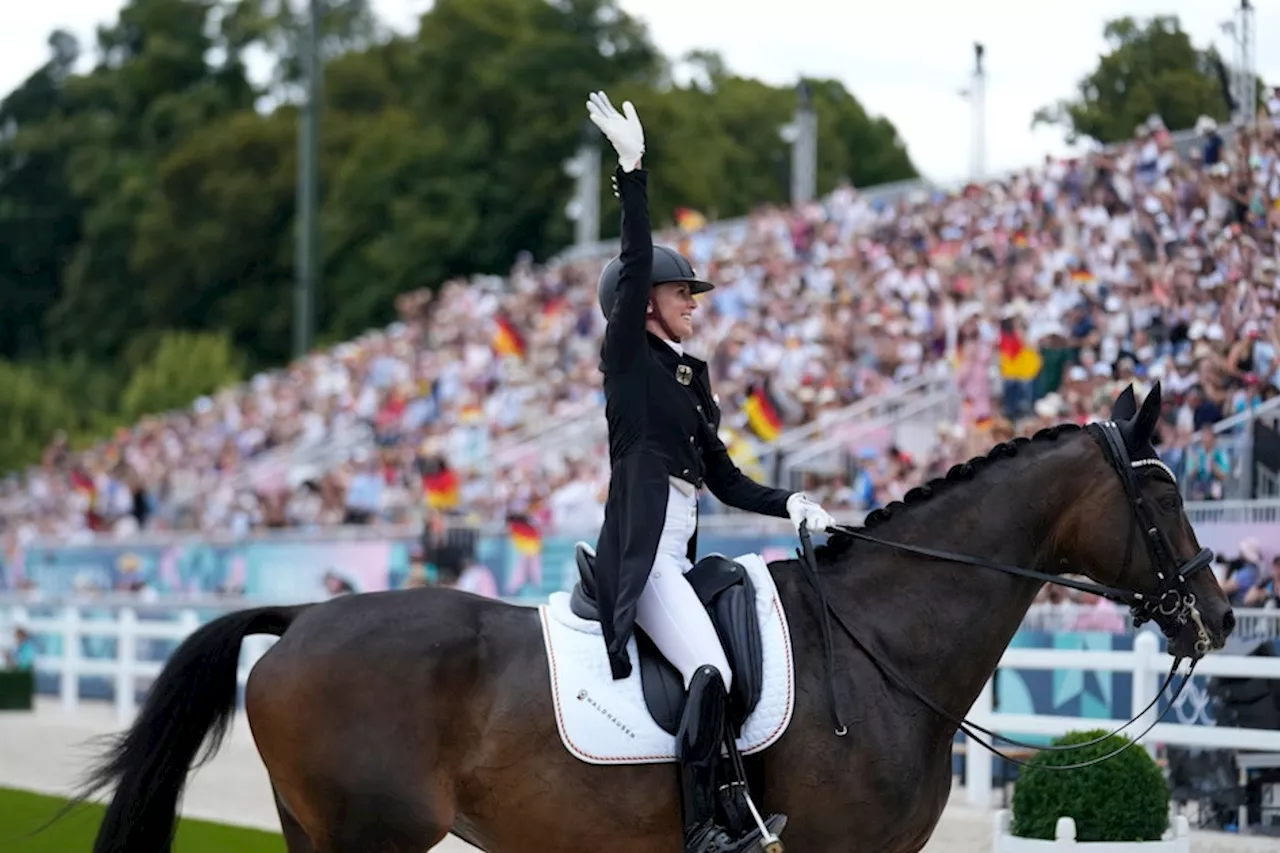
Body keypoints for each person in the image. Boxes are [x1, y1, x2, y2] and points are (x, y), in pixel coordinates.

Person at [585, 91, 836, 853]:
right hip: (644, 557)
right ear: (643, 305)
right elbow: (633, 261)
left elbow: (725, 479)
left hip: (678, 552)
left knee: (727, 658)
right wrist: (633, 172)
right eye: (681, 291)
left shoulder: (691, 379)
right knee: (709, 668)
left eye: (692, 291)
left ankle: (730, 805)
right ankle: (701, 830)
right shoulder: (627, 359)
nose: (693, 302)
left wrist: (790, 498)